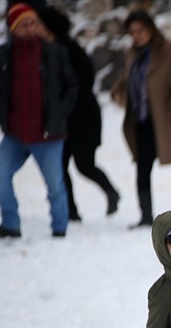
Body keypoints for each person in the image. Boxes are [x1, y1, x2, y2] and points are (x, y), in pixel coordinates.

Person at [111, 10, 171, 228]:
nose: (137, 35)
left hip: (168, 120)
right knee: (142, 169)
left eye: (140, 30)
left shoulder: (168, 51)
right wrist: (118, 92)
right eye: (132, 32)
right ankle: (145, 215)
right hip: (142, 121)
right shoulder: (133, 54)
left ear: (150, 29)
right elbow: (126, 79)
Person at [0, 3, 77, 239]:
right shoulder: (2, 56)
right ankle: (10, 223)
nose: (31, 29)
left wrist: (61, 112)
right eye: (24, 25)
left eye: (34, 23)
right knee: (0, 174)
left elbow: (73, 85)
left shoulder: (55, 53)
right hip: (15, 134)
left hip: (48, 134)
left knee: (54, 184)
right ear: (13, 28)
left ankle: (59, 227)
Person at [37, 5, 121, 222]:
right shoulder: (45, 51)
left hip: (84, 118)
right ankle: (70, 211)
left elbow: (85, 82)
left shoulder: (70, 49)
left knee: (84, 165)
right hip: (62, 121)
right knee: (61, 166)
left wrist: (71, 111)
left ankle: (112, 192)